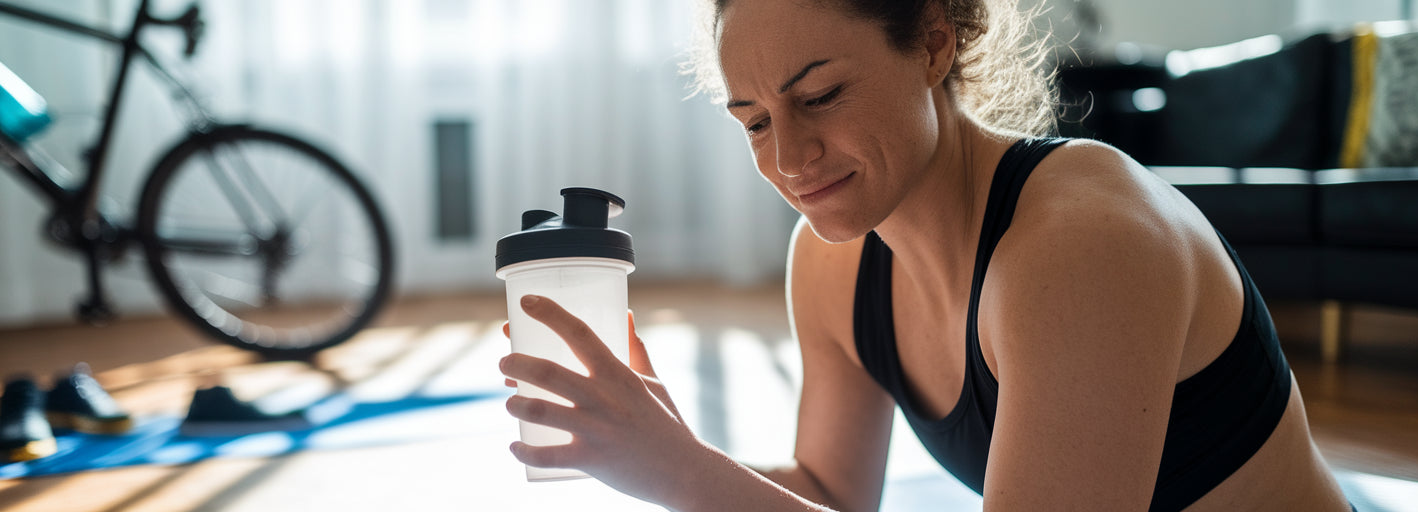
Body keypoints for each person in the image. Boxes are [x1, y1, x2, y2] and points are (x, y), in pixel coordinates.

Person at [498, 0, 1354, 510]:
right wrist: (668, 451)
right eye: (755, 121)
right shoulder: (834, 263)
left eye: (822, 95)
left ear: (935, 43)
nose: (789, 160)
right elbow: (830, 495)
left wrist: (683, 474)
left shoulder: (1082, 244)